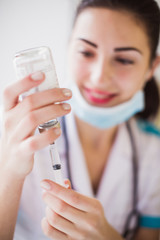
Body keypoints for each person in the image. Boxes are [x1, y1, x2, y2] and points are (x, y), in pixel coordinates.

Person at [0, 0, 160, 239]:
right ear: (67, 49)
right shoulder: (19, 139)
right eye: (86, 52)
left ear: (151, 68)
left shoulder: (154, 153)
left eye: (124, 60)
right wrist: (9, 171)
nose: (99, 77)